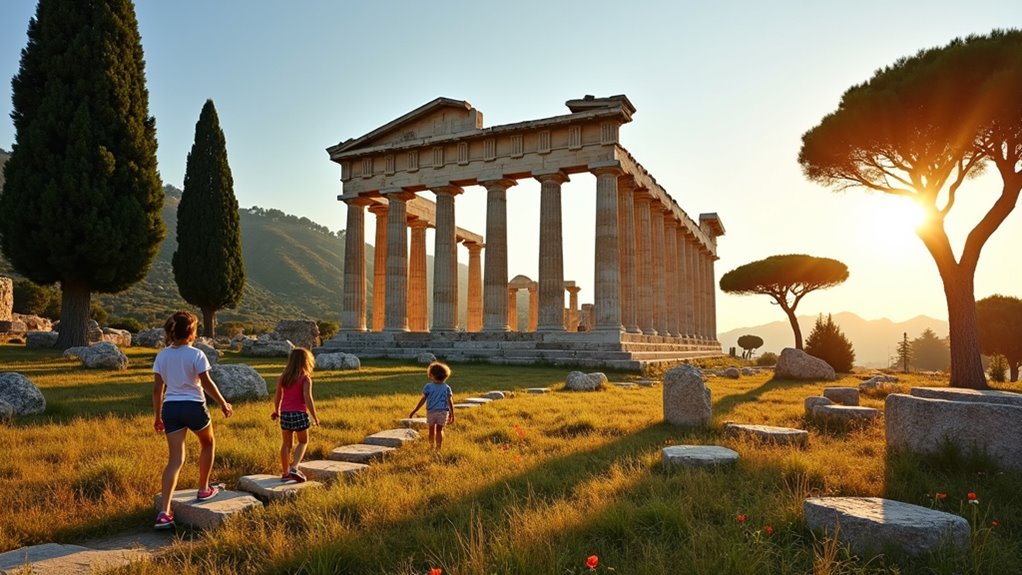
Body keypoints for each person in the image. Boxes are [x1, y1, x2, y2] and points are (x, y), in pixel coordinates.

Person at [152, 311, 233, 530]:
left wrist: (158, 416)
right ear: (191, 332)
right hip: (193, 406)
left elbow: (158, 390)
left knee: (175, 460)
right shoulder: (196, 354)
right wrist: (223, 403)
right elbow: (207, 383)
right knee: (207, 443)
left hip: (171, 408)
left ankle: (164, 512)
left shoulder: (162, 356)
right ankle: (204, 488)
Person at [270, 348, 319, 482]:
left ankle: (285, 473)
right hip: (300, 414)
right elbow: (308, 398)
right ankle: (295, 467)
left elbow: (278, 397)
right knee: (303, 441)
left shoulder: (282, 377)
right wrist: (315, 417)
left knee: (286, 444)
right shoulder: (305, 378)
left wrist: (277, 411)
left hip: (285, 414)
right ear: (306, 361)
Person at [409, 361, 455, 450]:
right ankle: (438, 448)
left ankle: (431, 447)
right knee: (439, 430)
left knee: (431, 431)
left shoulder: (428, 386)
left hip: (431, 412)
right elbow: (450, 402)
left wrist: (415, 410)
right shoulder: (447, 387)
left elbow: (423, 400)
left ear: (432, 375)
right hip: (443, 412)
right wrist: (452, 414)